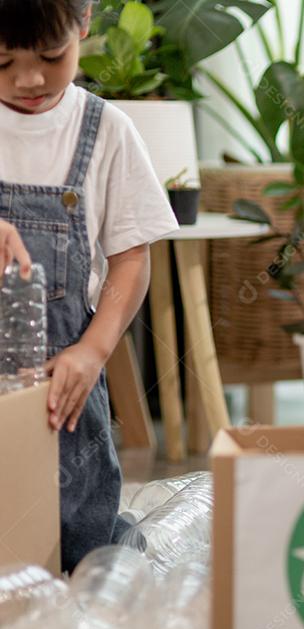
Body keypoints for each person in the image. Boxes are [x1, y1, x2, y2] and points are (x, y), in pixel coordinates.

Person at [0, 0, 179, 572]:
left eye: (51, 56)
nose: (29, 79)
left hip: (65, 376)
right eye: (2, 62)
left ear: (83, 24)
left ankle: (99, 572)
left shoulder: (105, 130)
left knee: (82, 524)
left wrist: (94, 350)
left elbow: (131, 259)